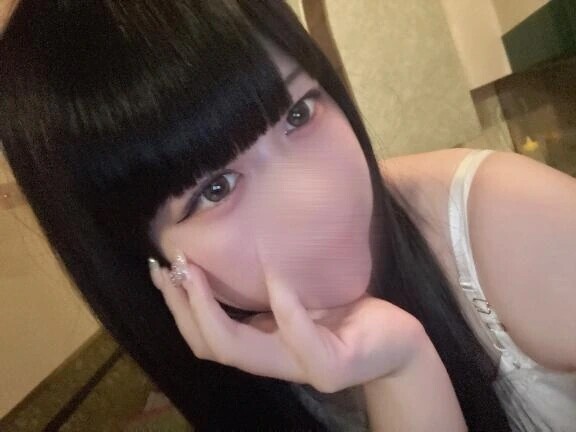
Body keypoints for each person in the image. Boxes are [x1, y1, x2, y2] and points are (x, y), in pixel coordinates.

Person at [1, 1, 574, 430]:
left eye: (299, 113)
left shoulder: (506, 220)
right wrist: (399, 367)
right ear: (149, 263)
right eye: (216, 188)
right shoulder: (229, 373)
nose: (311, 199)